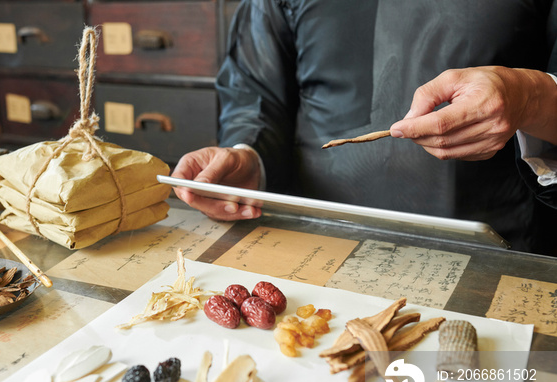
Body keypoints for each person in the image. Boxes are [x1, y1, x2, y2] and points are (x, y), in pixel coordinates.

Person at [171, 0, 557, 255]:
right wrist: (250, 157)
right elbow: (256, 92)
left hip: (498, 255)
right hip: (313, 251)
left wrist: (533, 97)